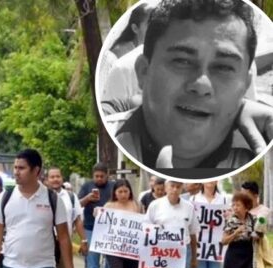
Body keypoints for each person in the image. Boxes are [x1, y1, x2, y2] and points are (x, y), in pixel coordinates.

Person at [111, 0, 272, 178]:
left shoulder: (262, 154)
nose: (202, 85)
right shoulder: (109, 142)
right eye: (182, 61)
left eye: (224, 67)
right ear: (143, 71)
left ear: (246, 85)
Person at [46, 166, 87, 268]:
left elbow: (77, 219)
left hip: (64, 242)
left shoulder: (70, 197)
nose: (55, 179)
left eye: (58, 176)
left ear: (62, 178)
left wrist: (83, 240)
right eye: (52, 177)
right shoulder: (43, 196)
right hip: (46, 244)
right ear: (47, 179)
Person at [101, 179, 142, 268]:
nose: (123, 194)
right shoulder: (109, 206)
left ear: (130, 191)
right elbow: (102, 227)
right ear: (115, 193)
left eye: (126, 191)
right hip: (114, 249)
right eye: (120, 192)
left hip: (132, 249)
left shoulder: (136, 205)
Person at [188, 181, 227, 268]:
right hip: (198, 246)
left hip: (216, 247)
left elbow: (231, 220)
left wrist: (229, 216)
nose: (210, 182)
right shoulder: (193, 200)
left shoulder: (224, 199)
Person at [78, 162, 113, 268]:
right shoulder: (87, 186)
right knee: (92, 260)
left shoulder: (113, 186)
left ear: (107, 175)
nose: (99, 179)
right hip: (90, 227)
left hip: (109, 229)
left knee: (111, 261)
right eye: (96, 176)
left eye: (102, 176)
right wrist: (88, 198)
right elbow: (78, 204)